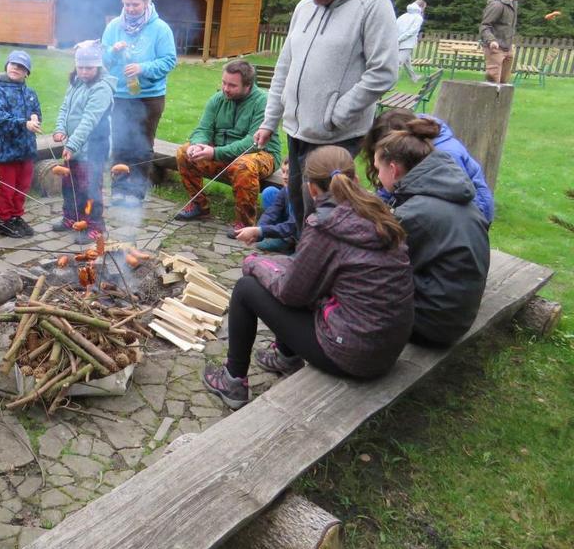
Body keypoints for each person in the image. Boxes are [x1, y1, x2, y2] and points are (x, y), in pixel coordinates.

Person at [202, 146, 413, 410]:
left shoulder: (326, 226)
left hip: (355, 353)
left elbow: (291, 292)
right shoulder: (377, 211)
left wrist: (254, 264)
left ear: (312, 190)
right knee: (297, 275)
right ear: (355, 179)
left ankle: (233, 381)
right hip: (388, 344)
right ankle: (286, 355)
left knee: (247, 288)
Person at [255, 0, 398, 232]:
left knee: (320, 212)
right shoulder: (305, 6)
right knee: (297, 202)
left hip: (336, 134)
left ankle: (317, 267)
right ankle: (299, 262)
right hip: (296, 129)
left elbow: (383, 71)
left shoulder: (372, 4)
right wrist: (270, 120)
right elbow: (285, 67)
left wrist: (337, 113)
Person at [374, 119, 490, 346]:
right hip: (456, 313)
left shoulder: (413, 215)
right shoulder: (450, 190)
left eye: (378, 169)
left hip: (432, 326)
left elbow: (377, 266)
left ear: (393, 169)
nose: (377, 177)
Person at [174, 61, 280, 235]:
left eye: (232, 85)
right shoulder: (218, 99)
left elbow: (251, 144)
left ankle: (245, 224)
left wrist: (215, 152)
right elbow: (203, 129)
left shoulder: (263, 103)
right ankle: (199, 206)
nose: (225, 88)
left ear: (248, 85)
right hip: (223, 152)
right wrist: (197, 145)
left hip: (260, 154)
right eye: (224, 83)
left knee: (243, 166)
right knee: (184, 152)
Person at [101, 0, 177, 206]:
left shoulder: (160, 28)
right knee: (121, 143)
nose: (131, 9)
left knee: (142, 146)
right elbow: (101, 59)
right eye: (127, 4)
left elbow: (169, 60)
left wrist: (143, 68)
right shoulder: (114, 26)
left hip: (149, 97)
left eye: (135, 4)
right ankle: (119, 189)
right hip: (120, 95)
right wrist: (113, 52)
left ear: (146, 2)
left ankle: (135, 192)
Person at [360, 109, 495, 223]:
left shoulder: (445, 156)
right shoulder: (416, 144)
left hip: (471, 217)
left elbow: (446, 202)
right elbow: (391, 189)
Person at [52, 41, 116, 241]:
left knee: (90, 186)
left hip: (94, 146)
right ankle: (72, 217)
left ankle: (95, 225)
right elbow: (65, 108)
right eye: (80, 67)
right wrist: (61, 129)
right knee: (70, 183)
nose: (84, 71)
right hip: (75, 146)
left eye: (89, 68)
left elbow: (89, 120)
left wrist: (71, 144)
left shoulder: (102, 88)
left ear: (97, 67)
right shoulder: (76, 83)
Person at [0, 50, 42, 238]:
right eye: (13, 64)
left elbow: (36, 112)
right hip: (8, 150)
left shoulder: (30, 93)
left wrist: (35, 117)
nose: (16, 68)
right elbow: (0, 119)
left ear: (27, 72)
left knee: (22, 186)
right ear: (6, 66)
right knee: (7, 187)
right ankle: (4, 220)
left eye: (21, 67)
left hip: (27, 149)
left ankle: (16, 216)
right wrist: (24, 123)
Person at [235, 158, 297, 253]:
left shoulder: (301, 195)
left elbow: (293, 224)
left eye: (289, 173)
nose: (284, 176)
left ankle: (288, 241)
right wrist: (258, 232)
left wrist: (260, 231)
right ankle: (272, 235)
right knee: (270, 192)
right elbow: (272, 212)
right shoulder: (285, 190)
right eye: (283, 172)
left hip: (296, 229)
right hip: (287, 224)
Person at [479, 0, 526, 84]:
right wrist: (491, 40)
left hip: (507, 48)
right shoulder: (497, 5)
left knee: (504, 83)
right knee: (493, 84)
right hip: (495, 48)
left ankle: (501, 101)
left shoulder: (513, 3)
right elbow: (484, 26)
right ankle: (488, 101)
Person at [396, 0, 426, 83]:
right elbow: (412, 31)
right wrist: (399, 39)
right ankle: (389, 83)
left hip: (399, 42)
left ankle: (414, 77)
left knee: (407, 61)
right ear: (421, 7)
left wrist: (397, 39)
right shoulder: (418, 18)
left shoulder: (404, 15)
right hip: (407, 44)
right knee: (398, 64)